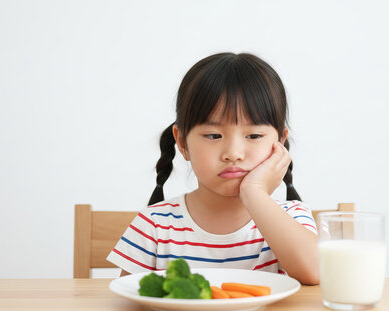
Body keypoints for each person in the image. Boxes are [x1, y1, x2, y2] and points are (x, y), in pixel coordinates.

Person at [106, 53, 319, 285]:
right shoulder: (156, 224)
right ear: (182, 143)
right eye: (213, 135)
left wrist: (255, 192)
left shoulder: (292, 217)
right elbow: (130, 301)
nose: (233, 153)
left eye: (254, 135)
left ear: (280, 142)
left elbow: (316, 272)